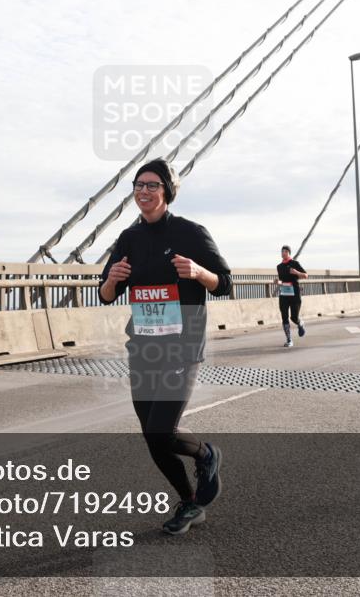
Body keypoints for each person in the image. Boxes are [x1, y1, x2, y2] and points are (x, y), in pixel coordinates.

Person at [99, 158, 231, 535]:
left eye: (152, 185)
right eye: (138, 185)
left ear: (167, 192)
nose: (143, 191)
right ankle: (189, 502)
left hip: (182, 346)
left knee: (162, 431)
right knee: (151, 437)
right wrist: (112, 279)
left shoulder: (191, 233)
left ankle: (207, 454)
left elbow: (225, 283)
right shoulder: (129, 239)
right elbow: (106, 294)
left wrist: (198, 272)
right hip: (143, 347)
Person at [276, 245, 308, 348]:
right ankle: (289, 340)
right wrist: (278, 282)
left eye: (285, 251)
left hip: (294, 294)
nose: (283, 253)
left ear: (289, 253)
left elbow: (306, 275)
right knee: (284, 316)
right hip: (284, 294)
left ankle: (300, 323)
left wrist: (296, 272)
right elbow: (282, 281)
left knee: (294, 317)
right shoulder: (279, 267)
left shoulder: (295, 263)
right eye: (282, 251)